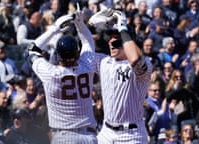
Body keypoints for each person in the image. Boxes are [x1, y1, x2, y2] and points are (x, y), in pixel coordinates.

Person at [26, 7, 97, 143]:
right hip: (89, 136)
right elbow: (88, 41)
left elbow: (30, 50)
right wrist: (79, 23)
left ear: (58, 56)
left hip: (64, 136)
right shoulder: (86, 66)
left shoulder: (51, 73)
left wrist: (54, 28)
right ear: (77, 54)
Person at [92, 10, 152, 143]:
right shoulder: (104, 61)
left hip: (131, 134)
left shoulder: (145, 63)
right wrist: (88, 25)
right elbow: (82, 53)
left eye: (117, 40)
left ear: (128, 42)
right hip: (106, 131)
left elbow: (135, 59)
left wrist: (123, 28)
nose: (111, 43)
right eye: (110, 39)